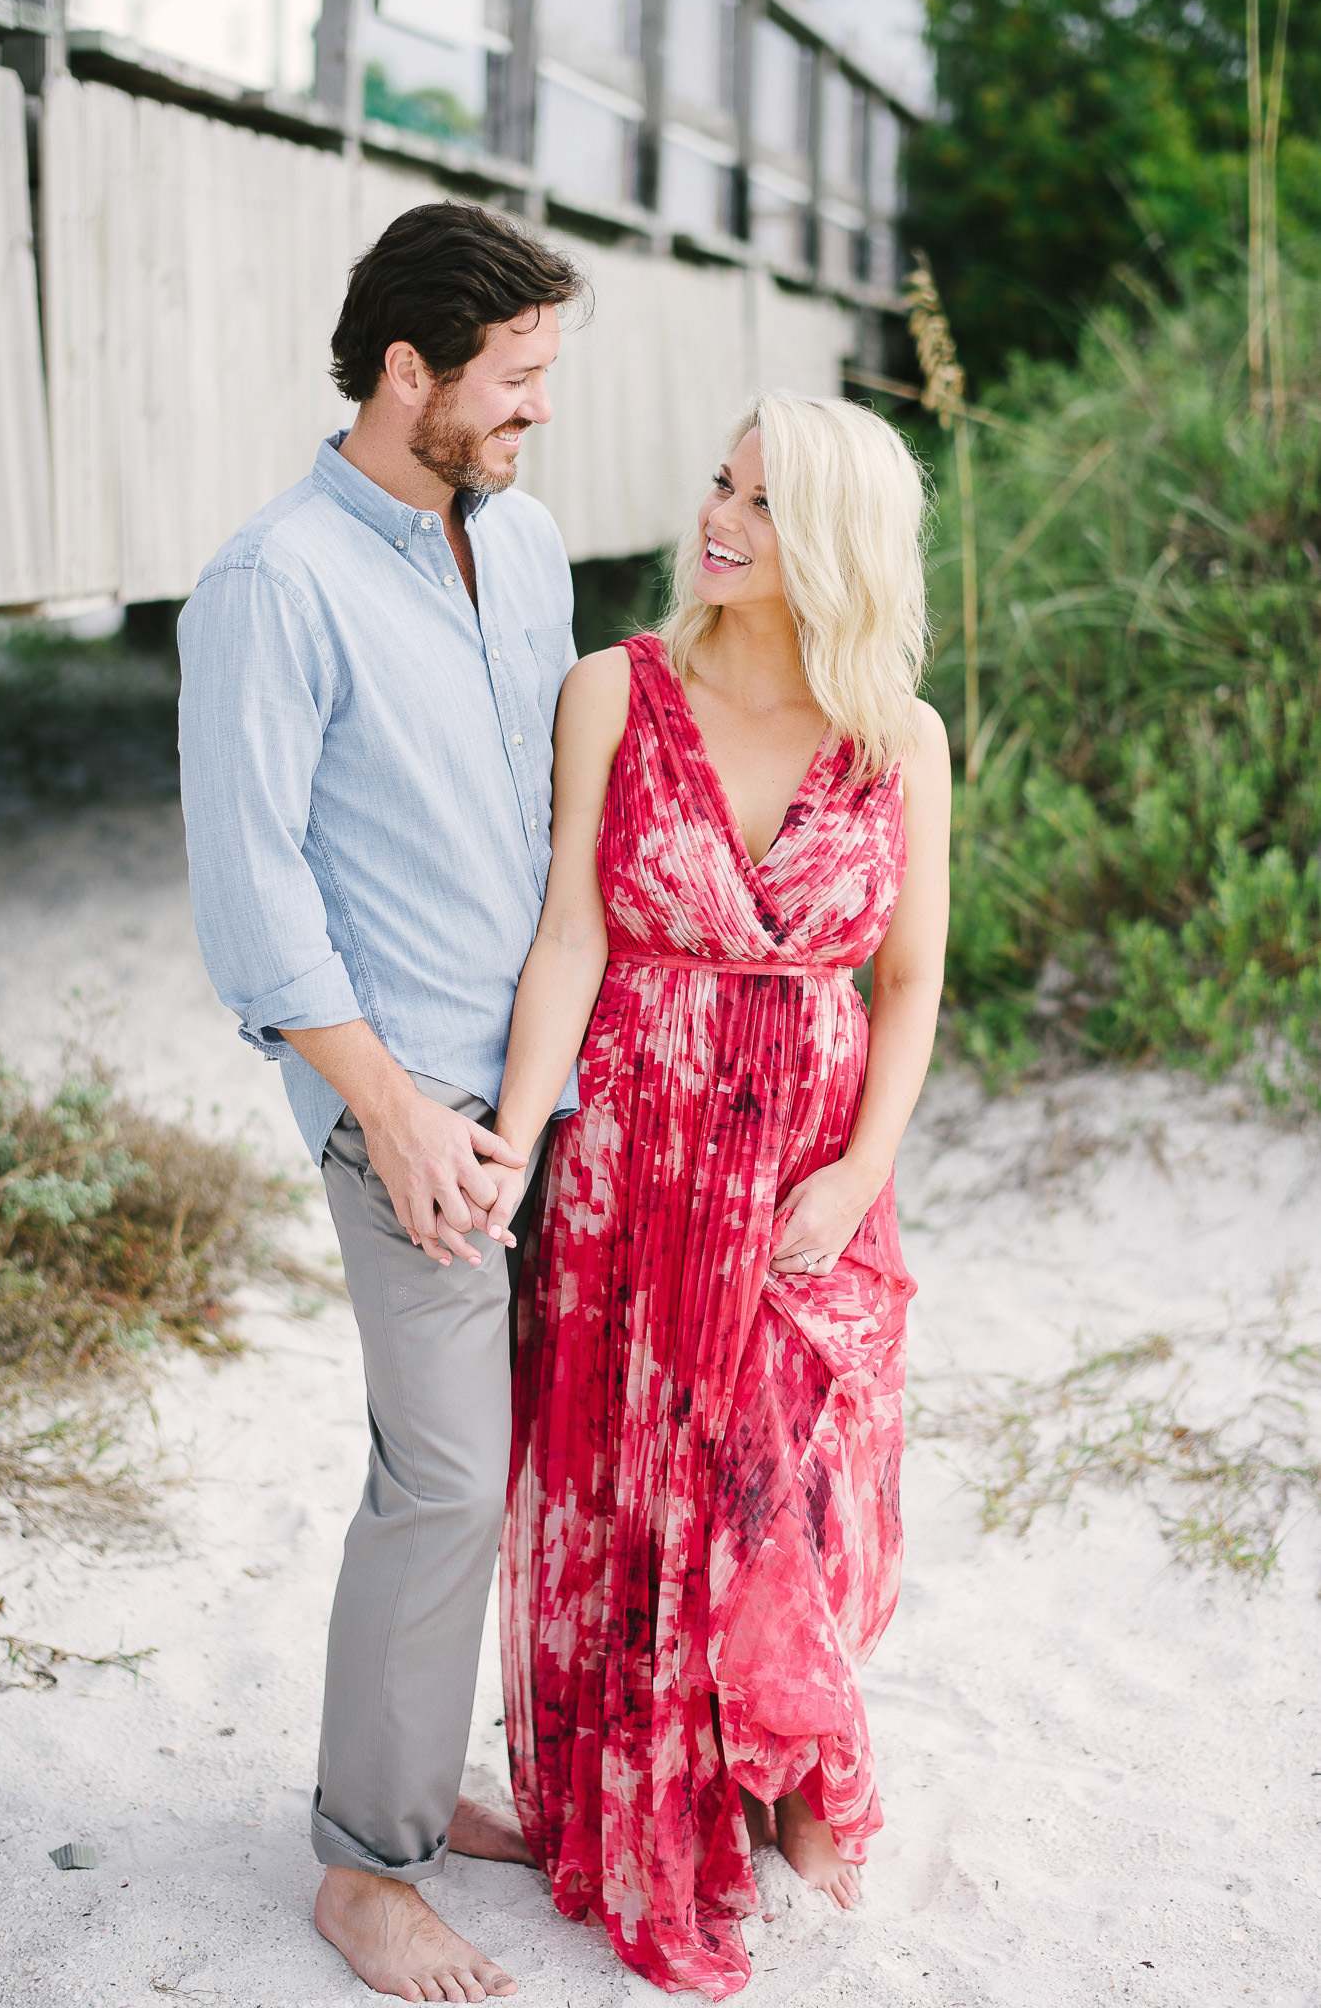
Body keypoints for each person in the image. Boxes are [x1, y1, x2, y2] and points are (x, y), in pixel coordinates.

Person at [477, 392, 951, 1997]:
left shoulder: (902, 742)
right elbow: (570, 939)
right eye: (720, 481)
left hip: (812, 1172)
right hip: (632, 1164)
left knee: (794, 1477)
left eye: (760, 497)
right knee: (641, 1488)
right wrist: (518, 1139)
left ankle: (795, 1769)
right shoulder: (616, 690)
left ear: (833, 537)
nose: (719, 514)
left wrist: (859, 1173)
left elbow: (910, 985)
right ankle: (673, 1787)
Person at [177, 200, 588, 2005]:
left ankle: (419, 1784)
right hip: (402, 1106)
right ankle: (366, 1867)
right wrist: (403, 1115)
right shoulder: (273, 585)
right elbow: (253, 900)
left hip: (548, 1093)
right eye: (513, 383)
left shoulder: (537, 543)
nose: (537, 416)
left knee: (496, 1469)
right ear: (406, 371)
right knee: (442, 1479)